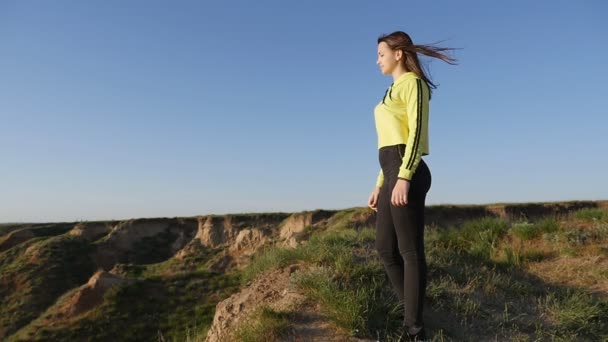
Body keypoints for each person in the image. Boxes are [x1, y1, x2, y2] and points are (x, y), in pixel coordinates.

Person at [367, 31, 457, 341]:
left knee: (409, 251)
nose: (377, 59)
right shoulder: (389, 92)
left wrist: (404, 176)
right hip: (391, 169)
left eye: (381, 53)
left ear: (398, 54)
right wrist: (381, 183)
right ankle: (413, 310)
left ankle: (414, 330)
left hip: (408, 168)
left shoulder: (414, 85)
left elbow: (416, 133)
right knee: (385, 249)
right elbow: (387, 140)